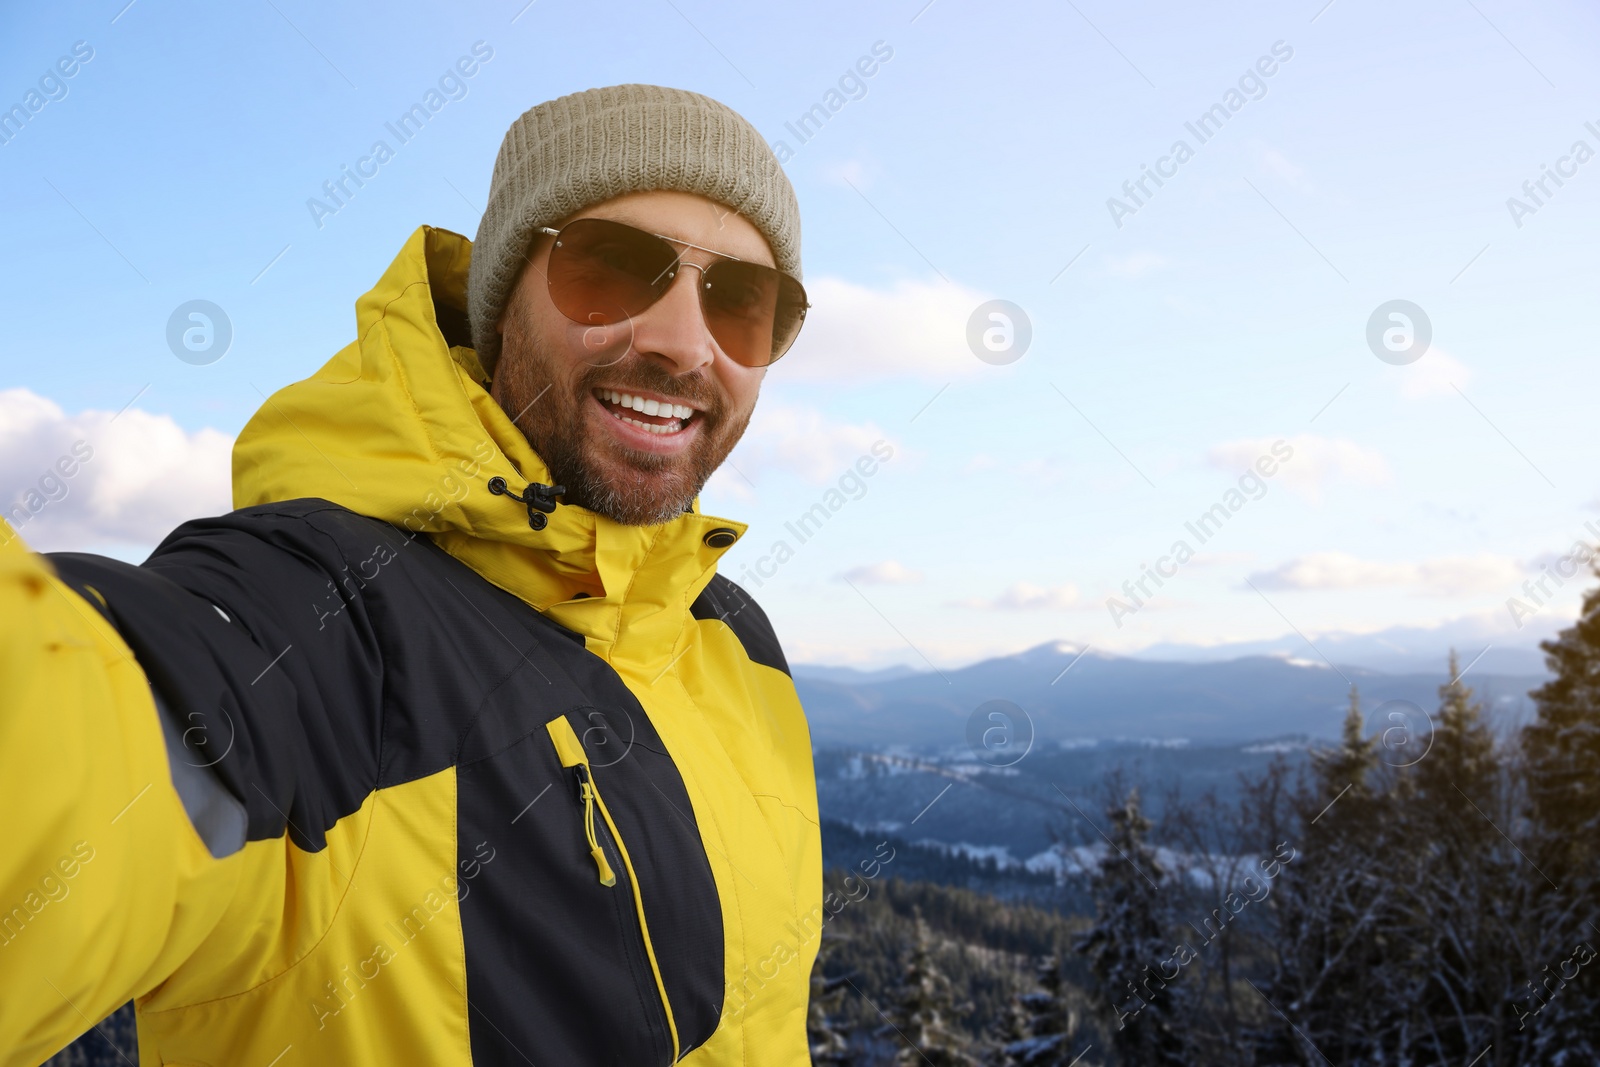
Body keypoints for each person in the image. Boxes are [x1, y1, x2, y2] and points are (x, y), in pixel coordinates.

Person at [1, 83, 822, 1066]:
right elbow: (74, 749)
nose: (685, 343)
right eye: (608, 267)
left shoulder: (735, 636)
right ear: (499, 299)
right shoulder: (321, 622)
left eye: (741, 300)